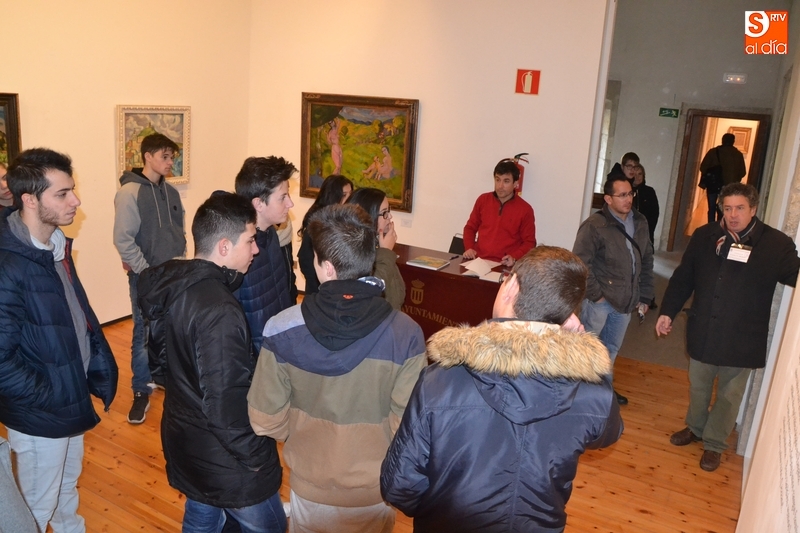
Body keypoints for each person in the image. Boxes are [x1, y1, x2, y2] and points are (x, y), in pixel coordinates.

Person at [380, 246, 622, 532]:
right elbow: (608, 432)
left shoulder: (439, 381)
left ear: (512, 286)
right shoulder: (592, 393)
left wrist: (437, 509)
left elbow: (398, 485)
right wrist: (583, 354)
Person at [248, 204, 426, 533]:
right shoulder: (406, 334)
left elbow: (264, 418)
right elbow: (408, 427)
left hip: (309, 489)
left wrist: (304, 432)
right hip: (375, 491)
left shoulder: (280, 328)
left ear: (327, 268)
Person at [138, 192, 285, 532]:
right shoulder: (219, 310)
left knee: (203, 517)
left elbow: (160, 368)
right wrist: (258, 458)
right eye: (250, 240)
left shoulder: (176, 289)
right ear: (224, 246)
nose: (256, 249)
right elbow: (226, 404)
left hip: (187, 440)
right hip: (227, 460)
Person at [0, 148, 118, 532]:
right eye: (63, 194)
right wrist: (51, 393)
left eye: (73, 190)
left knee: (66, 489)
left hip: (68, 397)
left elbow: (75, 317)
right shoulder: (8, 265)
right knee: (35, 507)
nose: (76, 201)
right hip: (42, 412)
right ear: (30, 200)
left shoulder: (55, 246)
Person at [656, 183, 800, 472]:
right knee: (699, 386)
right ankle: (696, 428)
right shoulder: (705, 236)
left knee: (729, 395)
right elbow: (684, 277)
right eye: (728, 208)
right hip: (704, 328)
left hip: (742, 337)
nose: (733, 215)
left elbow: (794, 275)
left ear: (753, 209)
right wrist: (668, 312)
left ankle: (714, 443)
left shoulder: (776, 245)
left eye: (740, 208)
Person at [113, 132, 186, 424]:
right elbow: (123, 240)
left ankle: (163, 376)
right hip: (145, 277)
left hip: (173, 275)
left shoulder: (172, 192)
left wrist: (182, 264)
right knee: (143, 334)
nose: (170, 163)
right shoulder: (129, 193)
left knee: (169, 329)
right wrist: (145, 271)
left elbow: (179, 234)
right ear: (147, 156)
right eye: (164, 156)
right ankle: (141, 390)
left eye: (172, 157)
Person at [572, 172, 654, 406]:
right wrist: (597, 295)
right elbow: (580, 262)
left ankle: (602, 391)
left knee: (610, 349)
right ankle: (577, 395)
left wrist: (645, 295)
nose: (628, 199)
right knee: (586, 349)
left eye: (630, 194)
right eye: (622, 195)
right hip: (600, 302)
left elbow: (646, 259)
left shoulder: (640, 222)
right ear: (608, 199)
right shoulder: (594, 226)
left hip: (626, 301)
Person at [233, 156, 296, 355]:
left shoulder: (271, 235)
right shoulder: (238, 252)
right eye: (283, 197)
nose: (291, 203)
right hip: (257, 360)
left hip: (278, 348)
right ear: (259, 204)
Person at [462, 159, 536, 266]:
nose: (500, 186)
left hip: (504, 265)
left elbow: (529, 243)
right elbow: (470, 228)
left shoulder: (525, 209)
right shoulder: (483, 200)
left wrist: (514, 257)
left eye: (506, 181)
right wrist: (469, 247)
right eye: (498, 180)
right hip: (479, 261)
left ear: (515, 183)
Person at [347, 187, 406, 309]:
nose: (390, 216)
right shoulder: (351, 252)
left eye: (388, 211)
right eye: (384, 213)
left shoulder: (377, 246)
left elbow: (397, 294)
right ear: (368, 216)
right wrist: (386, 252)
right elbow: (371, 291)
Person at [298, 174, 353, 294]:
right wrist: (321, 285)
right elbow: (305, 259)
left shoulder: (343, 216)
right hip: (320, 287)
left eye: (350, 194)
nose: (349, 199)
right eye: (344, 195)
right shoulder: (318, 220)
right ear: (333, 196)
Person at [699, 133, 746, 223]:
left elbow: (703, 167)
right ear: (733, 141)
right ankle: (721, 226)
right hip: (729, 187)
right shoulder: (738, 155)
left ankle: (711, 226)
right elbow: (742, 172)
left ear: (722, 140)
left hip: (713, 184)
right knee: (725, 208)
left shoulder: (713, 152)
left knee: (711, 207)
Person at [631, 164, 659, 245]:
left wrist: (648, 229)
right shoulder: (626, 191)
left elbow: (654, 213)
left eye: (640, 174)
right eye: (634, 174)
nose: (637, 177)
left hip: (645, 230)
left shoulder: (649, 191)